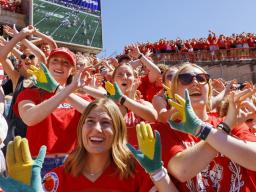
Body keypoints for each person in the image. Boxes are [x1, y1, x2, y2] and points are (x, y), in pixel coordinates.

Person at [0, 99, 178, 192]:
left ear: (118, 131)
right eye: (90, 121)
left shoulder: (137, 172)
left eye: (106, 123)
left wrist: (157, 172)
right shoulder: (58, 177)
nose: (97, 129)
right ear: (81, 128)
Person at [164, 63, 256, 191]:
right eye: (185, 78)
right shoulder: (166, 129)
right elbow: (182, 171)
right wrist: (225, 128)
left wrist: (210, 129)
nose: (195, 82)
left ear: (209, 91)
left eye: (202, 78)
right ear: (174, 92)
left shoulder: (231, 121)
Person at [13, 47, 92, 177]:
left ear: (72, 70)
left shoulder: (80, 98)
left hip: (73, 163)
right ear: (47, 66)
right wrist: (60, 91)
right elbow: (29, 118)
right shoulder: (30, 93)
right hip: (37, 163)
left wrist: (58, 89)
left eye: (66, 62)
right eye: (55, 61)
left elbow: (97, 113)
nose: (60, 65)